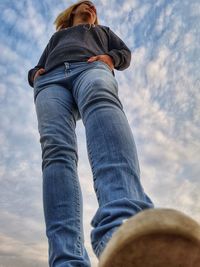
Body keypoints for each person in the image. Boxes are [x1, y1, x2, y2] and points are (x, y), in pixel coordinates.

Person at [28, 1, 154, 266]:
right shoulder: (57, 37)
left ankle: (124, 231)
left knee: (101, 100)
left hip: (91, 68)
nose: (91, 7)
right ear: (72, 12)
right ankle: (66, 260)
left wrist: (111, 59)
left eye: (94, 6)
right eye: (84, 4)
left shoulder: (103, 32)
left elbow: (124, 52)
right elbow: (38, 64)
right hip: (50, 82)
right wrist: (35, 76)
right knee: (55, 151)